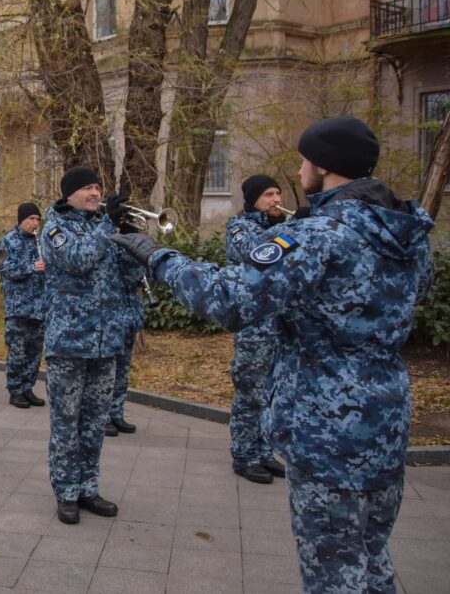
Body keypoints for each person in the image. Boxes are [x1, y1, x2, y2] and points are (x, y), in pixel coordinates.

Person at [111, 116, 434, 594]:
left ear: (323, 166)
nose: (300, 169)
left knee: (333, 573)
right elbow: (412, 293)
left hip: (327, 423)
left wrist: (158, 257)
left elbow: (230, 300)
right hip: (386, 415)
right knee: (372, 558)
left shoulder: (318, 234)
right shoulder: (408, 232)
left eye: (305, 158)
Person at [42, 166, 145, 525]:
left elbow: (132, 277)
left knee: (93, 423)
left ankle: (88, 486)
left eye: (98, 187)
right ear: (68, 194)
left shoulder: (106, 227)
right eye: (87, 187)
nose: (95, 193)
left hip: (106, 342)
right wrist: (107, 228)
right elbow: (77, 260)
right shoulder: (55, 228)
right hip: (69, 343)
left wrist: (132, 241)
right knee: (66, 423)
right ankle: (66, 492)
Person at [221, 174, 289, 483]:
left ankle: (263, 451)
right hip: (253, 327)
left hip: (279, 325)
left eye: (278, 193)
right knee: (250, 392)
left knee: (271, 393)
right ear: (252, 201)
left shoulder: (276, 228)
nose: (276, 199)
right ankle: (244, 455)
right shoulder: (240, 228)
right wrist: (291, 230)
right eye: (268, 195)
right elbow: (257, 254)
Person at [0, 202, 46, 409]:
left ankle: (28, 387)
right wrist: (31, 267)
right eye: (30, 219)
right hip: (19, 308)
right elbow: (6, 269)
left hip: (39, 307)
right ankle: (15, 390)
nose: (34, 223)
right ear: (21, 220)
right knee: (17, 352)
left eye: (37, 219)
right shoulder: (9, 240)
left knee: (35, 352)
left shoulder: (40, 242)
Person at [104, 270, 143, 436]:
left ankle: (116, 413)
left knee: (122, 372)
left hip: (129, 319)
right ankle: (102, 417)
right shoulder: (108, 247)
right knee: (106, 374)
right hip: (111, 319)